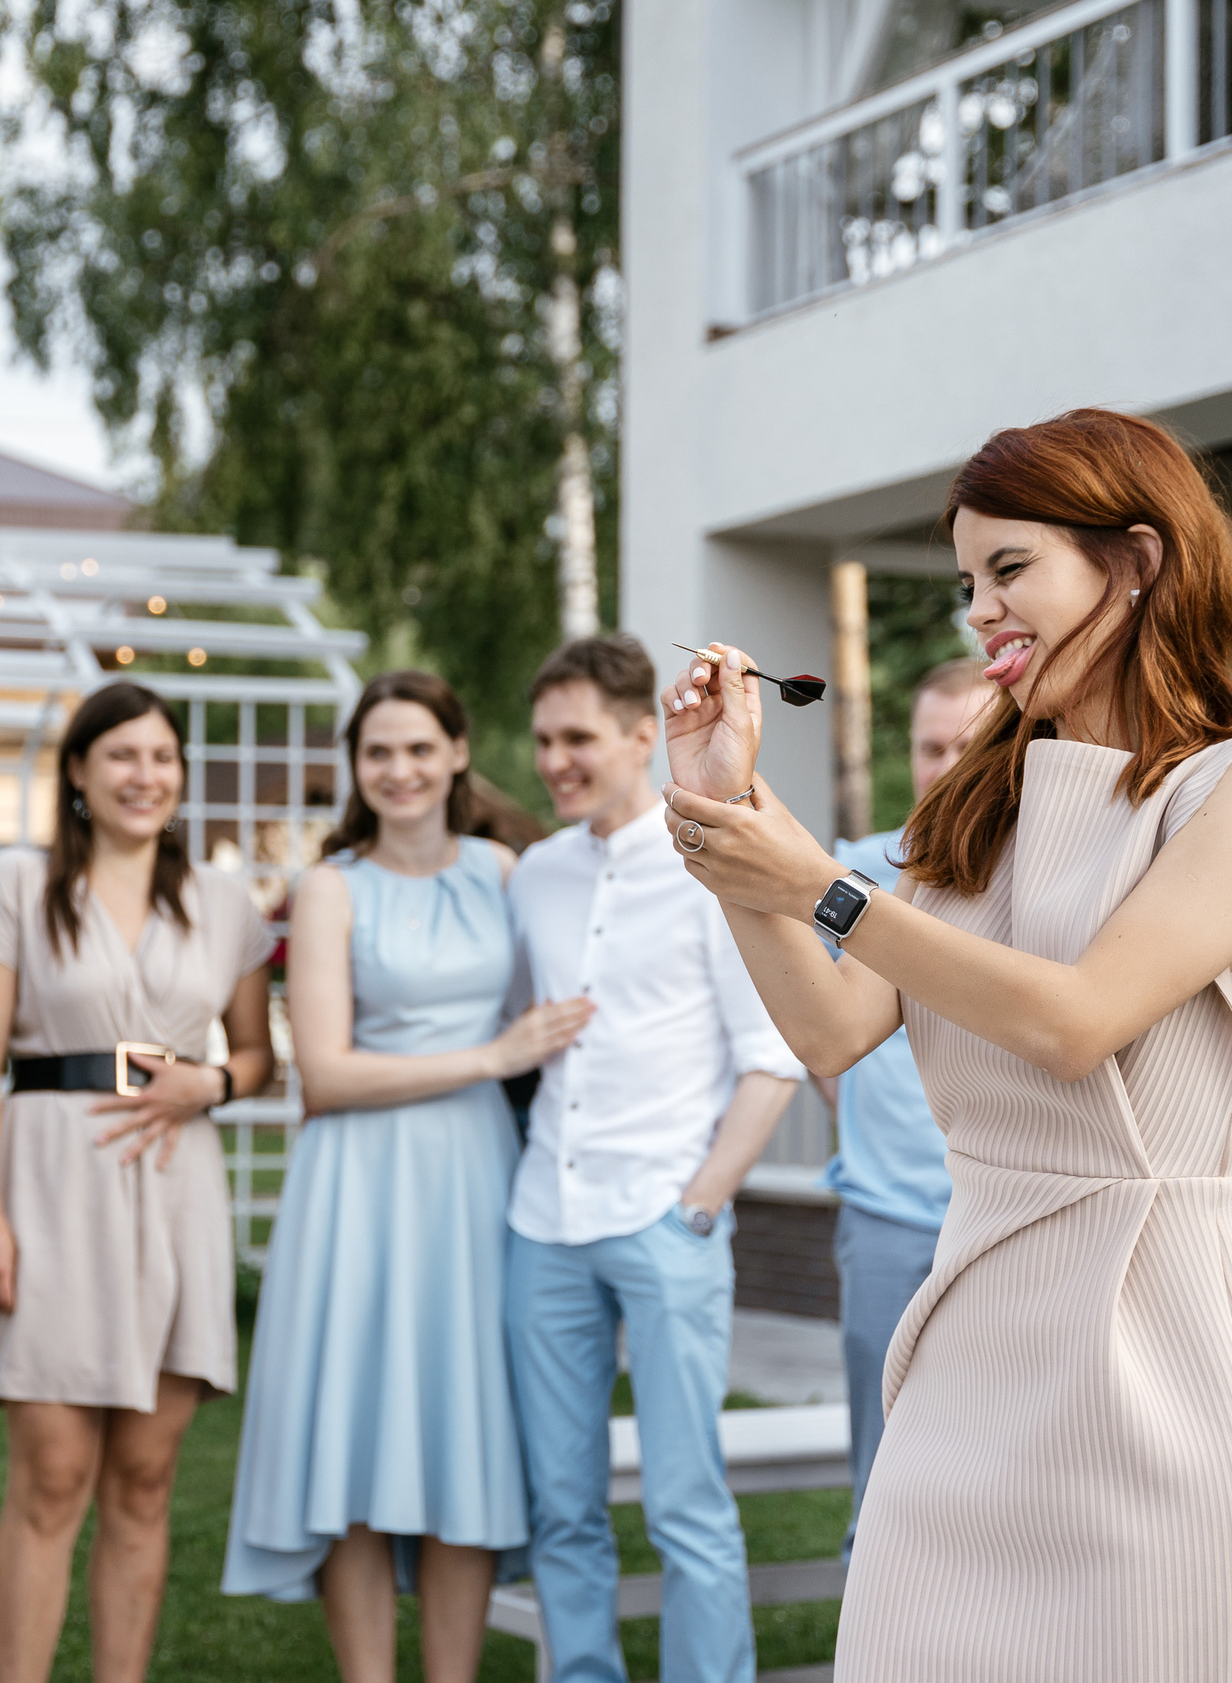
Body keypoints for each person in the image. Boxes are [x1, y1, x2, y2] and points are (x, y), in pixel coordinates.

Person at [661, 407, 1232, 1681]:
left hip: (1149, 1345)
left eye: (1009, 569)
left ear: (1135, 561)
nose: (980, 611)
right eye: (966, 581)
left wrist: (820, 887)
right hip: (970, 1333)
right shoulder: (982, 792)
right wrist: (727, 806)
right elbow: (831, 1025)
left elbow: (1070, 1020)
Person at [223, 670, 594, 1682]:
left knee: (459, 1438)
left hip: (475, 1182)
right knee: (352, 1439)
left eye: (419, 749)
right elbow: (327, 1075)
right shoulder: (331, 885)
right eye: (378, 752)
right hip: (355, 1187)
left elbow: (575, 1003)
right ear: (355, 768)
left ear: (457, 754)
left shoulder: (508, 874)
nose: (400, 770)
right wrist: (490, 1058)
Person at [0, 681, 276, 1683]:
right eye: (123, 756)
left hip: (176, 1185)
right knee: (52, 1478)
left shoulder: (224, 902)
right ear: (81, 775)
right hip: (51, 1179)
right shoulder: (15, 884)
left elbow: (261, 1054)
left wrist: (213, 1081)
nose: (147, 776)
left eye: (163, 758)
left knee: (144, 1481)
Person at [504, 634, 805, 1683]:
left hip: (664, 1222)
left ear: (642, 735)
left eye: (577, 736)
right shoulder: (533, 875)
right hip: (541, 1224)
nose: (555, 759)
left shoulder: (708, 865)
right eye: (543, 739)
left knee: (687, 1504)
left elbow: (771, 1062)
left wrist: (699, 1205)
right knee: (560, 1505)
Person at [819, 656, 995, 1561]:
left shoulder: (1029, 881)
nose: (950, 763)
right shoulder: (857, 873)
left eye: (971, 742)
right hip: (890, 1216)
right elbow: (825, 1033)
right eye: (932, 746)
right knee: (881, 1477)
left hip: (1004, 1220)